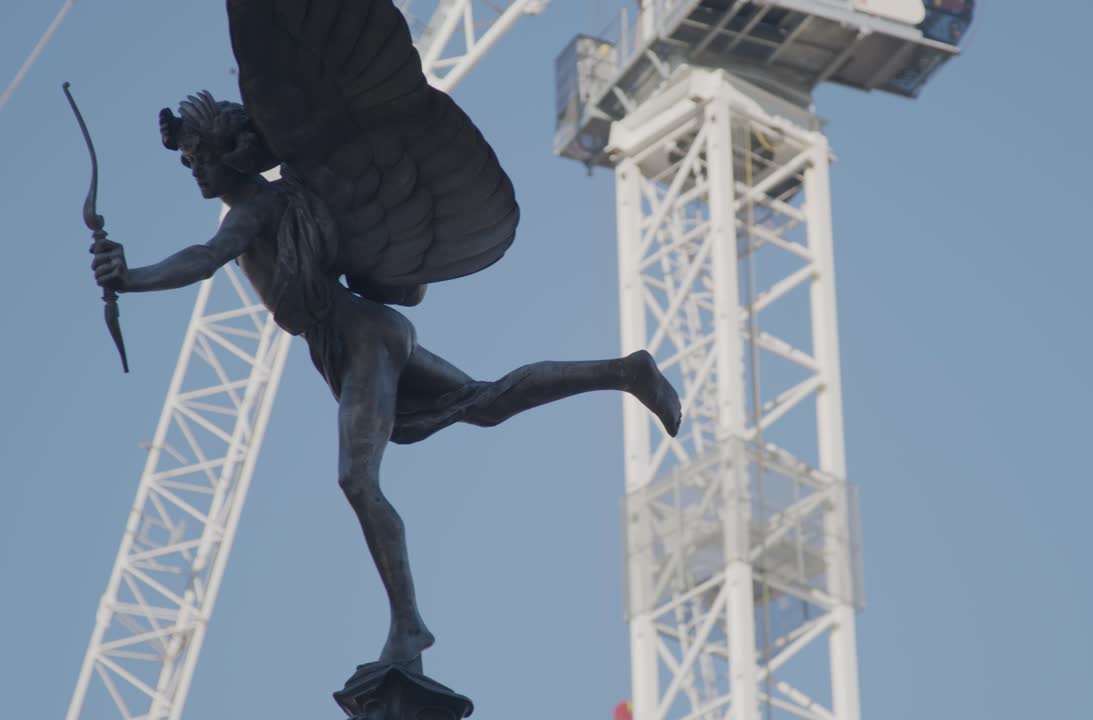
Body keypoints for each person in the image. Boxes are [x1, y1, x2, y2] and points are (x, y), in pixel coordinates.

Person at [91, 91, 682, 666]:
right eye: (188, 162)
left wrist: (133, 277)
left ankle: (408, 625)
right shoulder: (273, 201)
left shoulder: (255, 207)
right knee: (484, 403)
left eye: (202, 157)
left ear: (232, 153)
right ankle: (625, 371)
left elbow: (203, 258)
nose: (195, 171)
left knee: (358, 481)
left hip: (361, 337)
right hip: (356, 337)